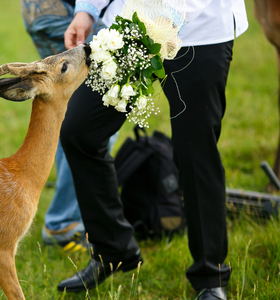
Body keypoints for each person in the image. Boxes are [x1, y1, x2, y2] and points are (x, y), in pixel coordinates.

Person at [57, 0, 248, 299]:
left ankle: (211, 277)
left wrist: (165, 16)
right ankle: (113, 250)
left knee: (195, 151)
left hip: (200, 32)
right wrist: (87, 9)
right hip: (128, 28)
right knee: (80, 130)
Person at [20, 0, 118, 252]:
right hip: (69, 13)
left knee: (74, 114)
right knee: (96, 120)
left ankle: (68, 217)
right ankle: (63, 222)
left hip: (37, 10)